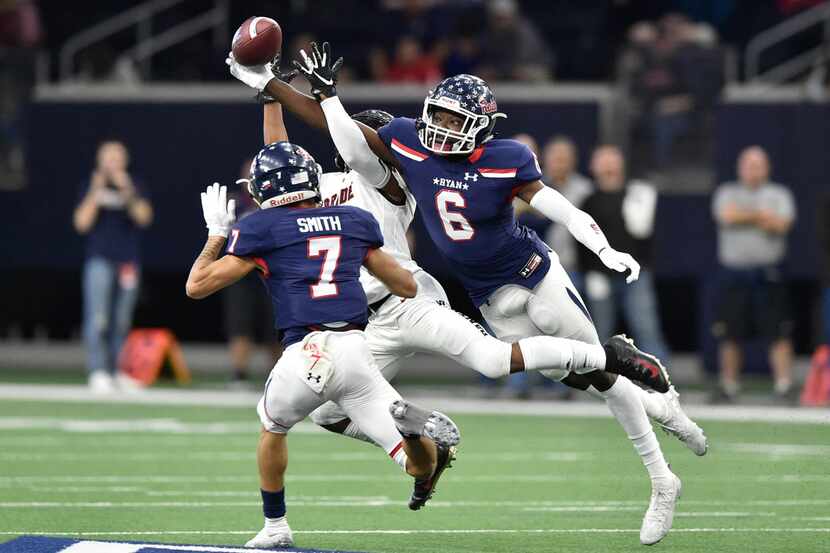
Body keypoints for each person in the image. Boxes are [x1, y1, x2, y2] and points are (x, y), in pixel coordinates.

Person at [228, 44, 708, 546]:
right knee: (333, 410)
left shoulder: (391, 177)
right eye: (435, 116)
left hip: (448, 292)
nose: (438, 127)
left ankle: (657, 460)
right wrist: (267, 89)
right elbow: (279, 158)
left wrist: (605, 248)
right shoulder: (335, 181)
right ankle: (423, 441)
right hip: (386, 318)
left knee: (581, 372)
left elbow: (349, 142)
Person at [185, 145, 461, 549]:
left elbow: (197, 286)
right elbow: (405, 285)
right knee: (417, 465)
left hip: (305, 352)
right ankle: (414, 432)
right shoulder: (352, 221)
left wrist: (216, 236)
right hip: (355, 351)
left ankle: (276, 526)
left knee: (273, 425)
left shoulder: (260, 228)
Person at [711, 146, 796, 403]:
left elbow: (782, 224)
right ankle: (729, 385)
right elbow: (726, 216)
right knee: (730, 333)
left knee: (778, 332)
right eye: (748, 165)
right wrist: (761, 216)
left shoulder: (779, 194)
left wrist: (744, 216)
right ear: (740, 168)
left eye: (758, 165)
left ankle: (783, 385)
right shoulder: (727, 192)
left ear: (767, 168)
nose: (752, 170)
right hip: (734, 274)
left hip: (768, 273)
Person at [73, 140, 153, 393]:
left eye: (117, 158)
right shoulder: (90, 186)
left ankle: (119, 371)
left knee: (122, 320)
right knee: (98, 318)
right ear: (99, 161)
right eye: (108, 158)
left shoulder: (135, 185)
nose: (112, 163)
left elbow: (144, 218)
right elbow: (81, 224)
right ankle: (98, 371)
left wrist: (127, 190)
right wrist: (95, 191)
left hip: (127, 261)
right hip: (99, 259)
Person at [579, 145, 670, 365]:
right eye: (603, 161)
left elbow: (644, 233)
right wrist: (590, 273)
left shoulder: (638, 194)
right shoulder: (588, 200)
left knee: (646, 326)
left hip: (634, 274)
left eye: (613, 160)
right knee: (599, 331)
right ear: (594, 166)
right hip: (600, 275)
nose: (609, 165)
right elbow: (581, 241)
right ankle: (597, 379)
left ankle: (661, 380)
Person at [222, 160, 281, 389]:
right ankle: (239, 374)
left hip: (272, 271)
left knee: (276, 327)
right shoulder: (234, 203)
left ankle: (279, 376)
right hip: (241, 273)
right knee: (239, 323)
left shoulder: (276, 204)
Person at [542, 136, 593, 291]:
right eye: (556, 159)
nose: (560, 164)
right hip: (532, 267)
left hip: (571, 267)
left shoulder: (585, 190)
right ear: (545, 159)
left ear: (573, 161)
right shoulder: (530, 186)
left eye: (564, 159)